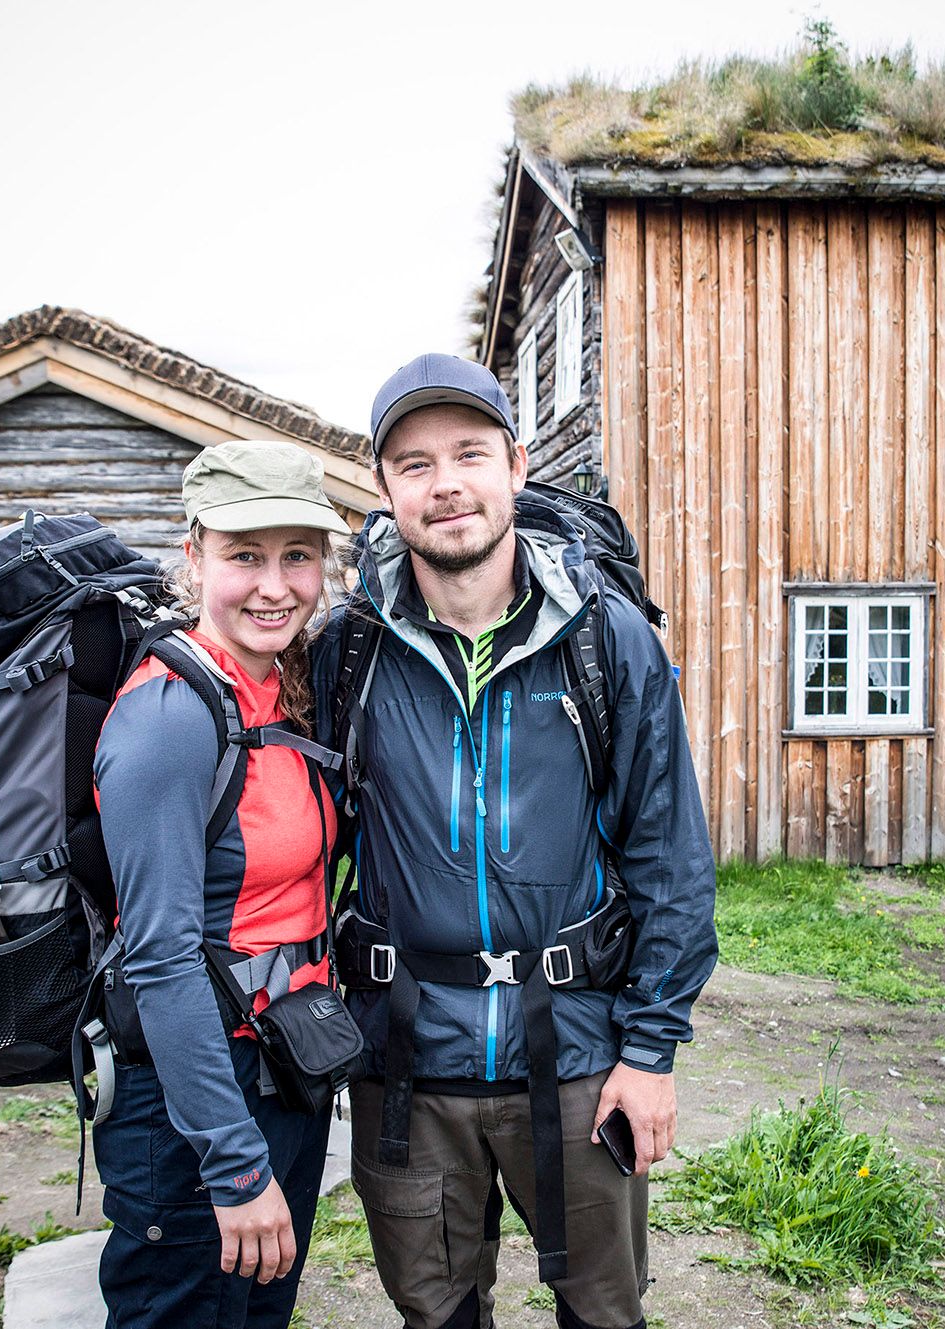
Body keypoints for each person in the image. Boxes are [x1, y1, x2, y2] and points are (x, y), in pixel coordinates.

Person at [316, 354, 718, 1329]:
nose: (444, 482)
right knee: (437, 1317)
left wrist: (651, 1051)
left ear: (516, 465)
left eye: (467, 453)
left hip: (578, 1054)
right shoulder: (347, 650)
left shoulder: (603, 637)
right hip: (404, 1062)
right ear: (383, 490)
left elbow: (668, 857)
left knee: (602, 1315)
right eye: (413, 463)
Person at [93, 439, 354, 1328]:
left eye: (298, 556)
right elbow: (160, 958)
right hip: (197, 1103)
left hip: (284, 1066)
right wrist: (234, 1164)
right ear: (195, 553)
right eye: (245, 555)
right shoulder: (170, 716)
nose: (274, 584)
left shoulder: (282, 689)